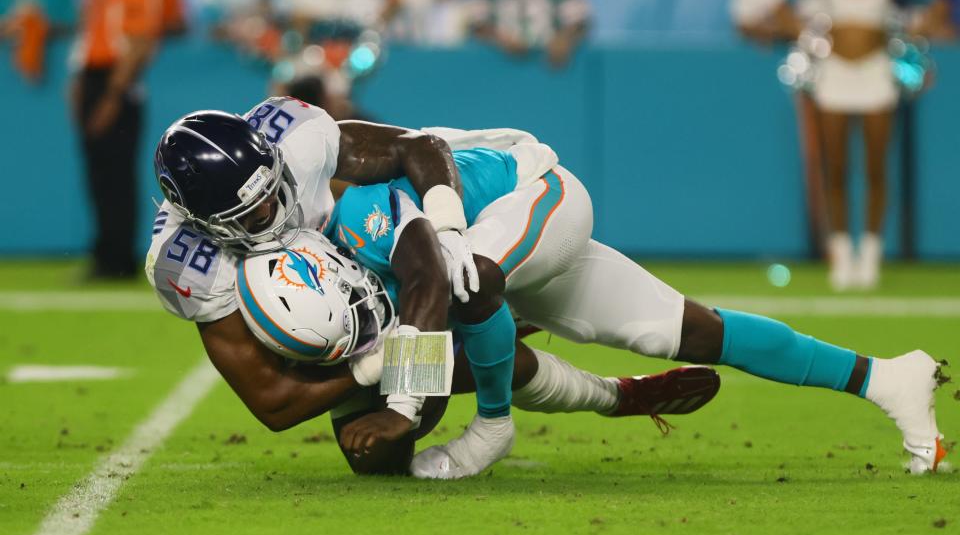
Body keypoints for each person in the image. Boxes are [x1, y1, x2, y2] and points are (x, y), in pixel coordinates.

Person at [145, 99, 717, 475]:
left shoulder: (299, 141)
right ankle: (611, 392)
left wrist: (446, 227)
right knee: (375, 459)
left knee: (453, 300)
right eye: (251, 214)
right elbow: (272, 402)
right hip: (337, 316)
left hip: (394, 235)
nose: (274, 209)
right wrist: (371, 369)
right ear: (201, 221)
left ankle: (513, 328)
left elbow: (417, 149)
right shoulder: (188, 266)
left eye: (272, 188)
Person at [318, 143, 948, 478]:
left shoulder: (358, 214)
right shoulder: (342, 263)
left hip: (534, 197)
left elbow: (446, 281)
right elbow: (494, 349)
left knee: (471, 280)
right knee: (690, 332)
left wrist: (400, 402)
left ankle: (492, 428)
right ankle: (886, 376)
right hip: (490, 247)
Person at [71, 0, 164, 279]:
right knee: (100, 176)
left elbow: (139, 43)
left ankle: (119, 260)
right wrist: (79, 83)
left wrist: (113, 94)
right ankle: (106, 254)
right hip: (93, 77)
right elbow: (87, 39)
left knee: (116, 175)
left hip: (115, 79)